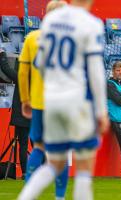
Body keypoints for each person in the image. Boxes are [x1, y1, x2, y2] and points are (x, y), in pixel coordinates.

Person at [18, 0, 109, 199]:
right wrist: (101, 111)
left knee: (54, 162)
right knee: (84, 163)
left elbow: (40, 63)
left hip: (51, 101)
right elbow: (96, 72)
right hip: (76, 99)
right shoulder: (91, 23)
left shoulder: (50, 21)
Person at [18, 1, 69, 200]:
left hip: (39, 102)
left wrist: (25, 99)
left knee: (38, 147)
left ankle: (28, 193)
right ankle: (60, 197)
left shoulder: (32, 38)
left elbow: (23, 72)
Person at [0, 49, 30, 179]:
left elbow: (6, 68)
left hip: (22, 116)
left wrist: (2, 55)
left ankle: (24, 173)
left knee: (23, 145)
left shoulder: (21, 77)